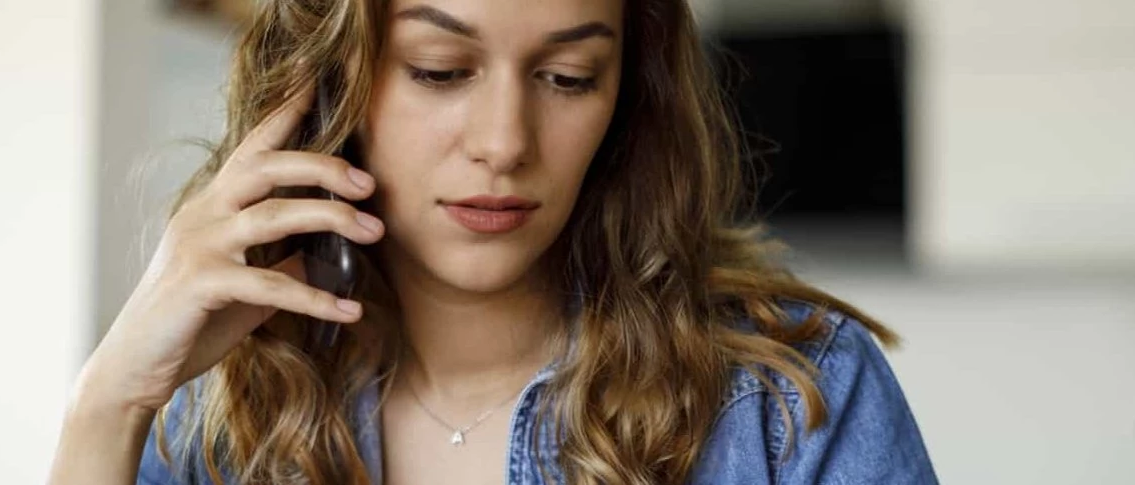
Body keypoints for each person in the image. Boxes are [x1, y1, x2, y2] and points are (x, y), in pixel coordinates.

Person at [49, 0, 935, 482]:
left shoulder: (787, 403)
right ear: (324, 86)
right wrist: (108, 403)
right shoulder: (218, 417)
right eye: (439, 70)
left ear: (625, 99)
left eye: (568, 77)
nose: (505, 142)